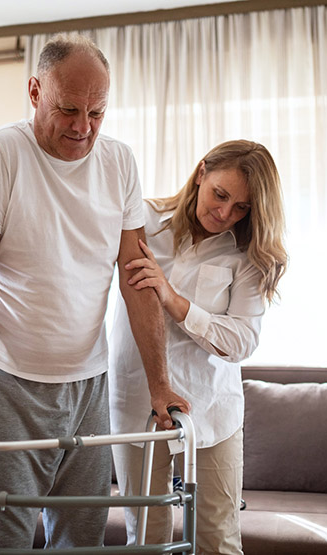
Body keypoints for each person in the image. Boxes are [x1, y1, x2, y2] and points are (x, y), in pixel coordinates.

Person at [0, 33, 189, 550]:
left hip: (89, 386)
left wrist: (159, 385)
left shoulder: (118, 162)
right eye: (68, 109)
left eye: (97, 113)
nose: (83, 128)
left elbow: (136, 277)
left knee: (81, 540)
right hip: (8, 384)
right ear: (34, 92)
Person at [109, 140, 288, 554]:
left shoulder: (247, 254)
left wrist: (175, 302)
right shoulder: (143, 221)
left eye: (241, 207)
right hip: (135, 401)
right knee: (146, 542)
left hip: (213, 411)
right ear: (201, 172)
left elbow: (241, 340)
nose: (225, 213)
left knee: (218, 541)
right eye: (220, 195)